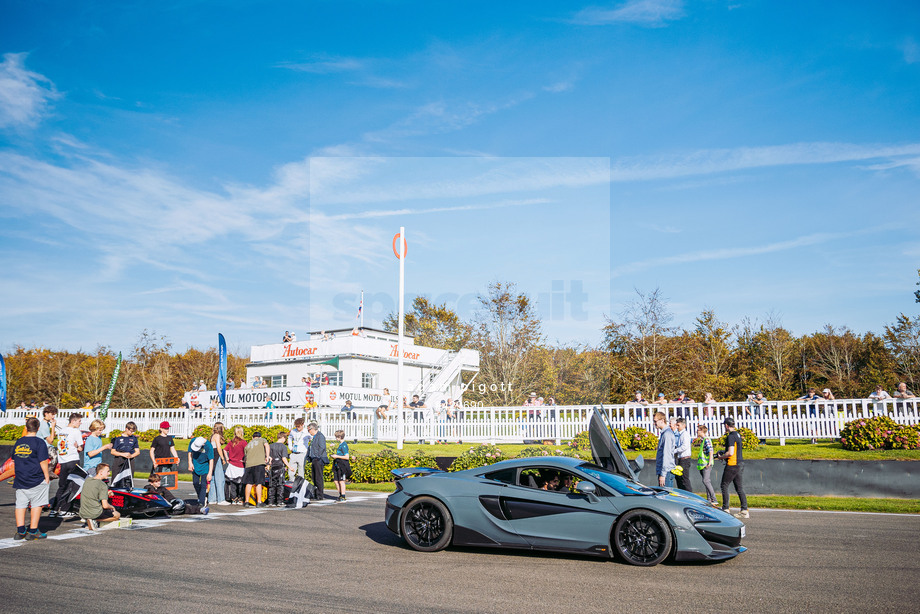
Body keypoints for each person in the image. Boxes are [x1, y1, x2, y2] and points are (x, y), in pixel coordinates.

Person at [12, 417, 51, 540]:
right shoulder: (40, 442)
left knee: (20, 504)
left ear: (26, 427)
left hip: (21, 477)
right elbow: (43, 461)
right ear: (38, 428)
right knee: (37, 504)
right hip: (36, 477)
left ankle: (20, 530)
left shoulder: (19, 442)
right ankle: (33, 531)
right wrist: (46, 475)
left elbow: (14, 459)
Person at [50, 412, 83, 518]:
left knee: (62, 486)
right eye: (79, 421)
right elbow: (80, 448)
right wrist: (78, 446)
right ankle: (64, 509)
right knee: (73, 486)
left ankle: (54, 509)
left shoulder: (62, 431)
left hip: (63, 461)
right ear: (73, 421)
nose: (80, 423)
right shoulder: (76, 431)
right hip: (73, 460)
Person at [717, 417, 749, 519]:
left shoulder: (730, 436)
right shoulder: (737, 435)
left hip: (732, 464)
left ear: (726, 425)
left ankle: (725, 508)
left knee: (724, 485)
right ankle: (744, 510)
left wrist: (721, 457)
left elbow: (730, 452)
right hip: (740, 463)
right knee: (739, 488)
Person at [78, 463, 121, 530]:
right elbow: (105, 506)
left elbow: (93, 493)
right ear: (101, 472)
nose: (109, 473)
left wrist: (106, 493)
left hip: (83, 512)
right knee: (117, 515)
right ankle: (95, 521)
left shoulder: (87, 480)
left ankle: (89, 520)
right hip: (94, 512)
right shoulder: (102, 485)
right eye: (107, 471)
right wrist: (112, 507)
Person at [243, 430, 270, 507]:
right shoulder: (262, 440)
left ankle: (246, 502)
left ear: (252, 437)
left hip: (249, 465)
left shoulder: (248, 445)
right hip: (259, 463)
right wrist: (267, 457)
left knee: (249, 483)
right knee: (258, 483)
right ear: (260, 437)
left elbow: (245, 457)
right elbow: (267, 446)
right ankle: (259, 502)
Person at [110, 421, 140, 489]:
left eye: (133, 432)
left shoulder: (134, 438)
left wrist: (131, 456)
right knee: (116, 477)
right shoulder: (117, 438)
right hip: (119, 459)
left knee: (128, 478)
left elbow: (137, 452)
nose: (131, 433)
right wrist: (123, 454)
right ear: (126, 428)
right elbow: (112, 452)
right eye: (130, 431)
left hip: (130, 460)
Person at [188, 436, 214, 507]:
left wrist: (210, 473)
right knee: (195, 482)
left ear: (202, 445)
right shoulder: (193, 441)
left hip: (205, 465)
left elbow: (211, 460)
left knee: (203, 484)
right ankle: (201, 497)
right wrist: (190, 463)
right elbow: (190, 452)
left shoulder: (208, 446)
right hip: (195, 463)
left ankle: (201, 502)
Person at [653, 412, 676, 488]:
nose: (654, 423)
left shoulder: (667, 434)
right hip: (666, 472)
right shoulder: (665, 433)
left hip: (666, 472)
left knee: (665, 497)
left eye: (655, 421)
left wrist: (663, 474)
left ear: (662, 420)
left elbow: (667, 455)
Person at [224, 426, 247, 504]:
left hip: (232, 464)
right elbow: (247, 452)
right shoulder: (244, 442)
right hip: (240, 464)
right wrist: (244, 460)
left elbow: (225, 450)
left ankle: (233, 498)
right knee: (241, 483)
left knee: (233, 483)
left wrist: (227, 458)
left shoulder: (231, 442)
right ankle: (240, 498)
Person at [267, 431, 291, 506]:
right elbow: (284, 458)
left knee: (272, 485)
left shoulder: (271, 446)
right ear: (283, 438)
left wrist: (268, 465)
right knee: (280, 484)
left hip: (273, 467)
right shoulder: (283, 447)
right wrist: (289, 466)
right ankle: (279, 501)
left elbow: (269, 457)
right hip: (280, 466)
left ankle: (271, 501)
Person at [696, 425, 717, 505]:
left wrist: (709, 462)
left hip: (706, 465)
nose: (697, 432)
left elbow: (710, 451)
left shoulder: (706, 440)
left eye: (698, 430)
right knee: (706, 481)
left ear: (702, 431)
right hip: (703, 465)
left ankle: (713, 498)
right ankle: (709, 499)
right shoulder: (703, 440)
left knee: (706, 481)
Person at [306, 422, 328, 501]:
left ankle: (319, 495)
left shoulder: (320, 436)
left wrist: (317, 456)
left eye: (308, 430)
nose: (308, 431)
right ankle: (316, 493)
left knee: (318, 478)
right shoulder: (314, 437)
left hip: (318, 459)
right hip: (314, 459)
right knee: (314, 477)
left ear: (312, 429)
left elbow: (322, 447)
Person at [210, 422, 229, 505]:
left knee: (213, 479)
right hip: (217, 456)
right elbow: (218, 447)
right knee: (220, 478)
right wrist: (222, 458)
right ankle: (221, 499)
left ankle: (212, 498)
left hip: (212, 456)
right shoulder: (217, 436)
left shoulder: (212, 436)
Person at [331, 429, 351, 502]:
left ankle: (343, 495)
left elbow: (347, 457)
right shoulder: (340, 444)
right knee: (336, 480)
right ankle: (340, 494)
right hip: (337, 464)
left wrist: (337, 456)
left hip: (342, 464)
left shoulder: (344, 445)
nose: (336, 438)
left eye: (337, 437)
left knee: (341, 481)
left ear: (339, 437)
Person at [673, 417, 692, 491]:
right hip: (680, 459)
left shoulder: (685, 434)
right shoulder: (680, 434)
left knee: (684, 479)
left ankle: (690, 496)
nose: (677, 427)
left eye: (678, 425)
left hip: (685, 459)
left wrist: (675, 450)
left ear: (684, 425)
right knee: (679, 479)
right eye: (676, 425)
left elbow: (684, 446)